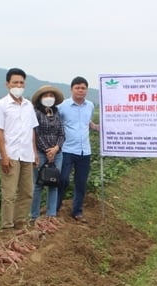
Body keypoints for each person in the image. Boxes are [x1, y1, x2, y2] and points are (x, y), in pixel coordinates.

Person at [0, 68, 39, 229]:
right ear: (7, 84)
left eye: (21, 83)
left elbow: (31, 130)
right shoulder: (1, 105)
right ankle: (7, 226)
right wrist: (4, 155)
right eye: (15, 82)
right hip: (10, 155)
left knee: (27, 192)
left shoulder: (28, 105)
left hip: (26, 154)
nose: (18, 85)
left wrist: (34, 152)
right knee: (9, 194)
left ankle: (20, 223)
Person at [57, 76, 100, 223]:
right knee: (63, 180)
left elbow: (86, 122)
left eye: (83, 88)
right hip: (67, 149)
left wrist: (95, 127)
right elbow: (56, 124)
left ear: (86, 90)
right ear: (71, 89)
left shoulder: (90, 106)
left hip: (85, 151)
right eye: (77, 87)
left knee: (81, 182)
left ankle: (77, 211)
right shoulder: (63, 106)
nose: (80, 90)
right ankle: (54, 209)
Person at [30, 85, 65, 221]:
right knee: (38, 184)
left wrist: (56, 148)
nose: (49, 98)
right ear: (40, 98)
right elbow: (36, 134)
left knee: (53, 183)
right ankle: (34, 216)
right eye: (46, 95)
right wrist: (47, 151)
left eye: (51, 95)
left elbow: (62, 133)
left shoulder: (56, 112)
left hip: (57, 154)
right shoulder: (36, 112)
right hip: (40, 153)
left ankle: (51, 215)